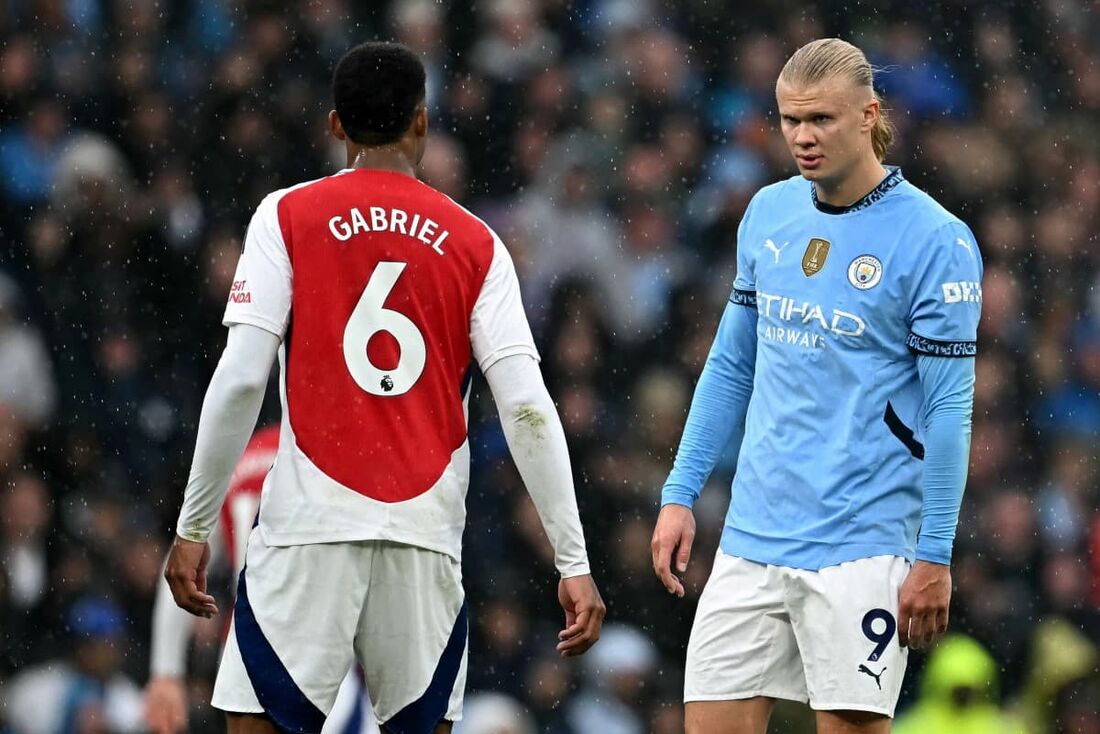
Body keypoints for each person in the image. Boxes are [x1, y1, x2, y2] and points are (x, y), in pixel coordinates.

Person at [165, 41, 605, 734]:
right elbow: (526, 406)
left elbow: (242, 376)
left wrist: (194, 525)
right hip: (422, 536)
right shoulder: (477, 243)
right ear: (423, 123)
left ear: (335, 125)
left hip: (309, 528)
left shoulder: (286, 216)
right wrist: (572, 559)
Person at [650, 38, 982, 734]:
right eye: (790, 119)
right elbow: (731, 364)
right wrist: (680, 494)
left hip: (862, 544)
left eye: (822, 120)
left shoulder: (934, 239)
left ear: (869, 114)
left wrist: (935, 555)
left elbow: (950, 407)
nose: (802, 136)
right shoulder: (769, 213)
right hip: (751, 539)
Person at [145, 425, 379, 733]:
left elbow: (180, 565)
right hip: (320, 653)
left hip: (245, 657)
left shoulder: (240, 460)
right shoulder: (336, 456)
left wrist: (165, 671)